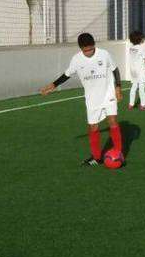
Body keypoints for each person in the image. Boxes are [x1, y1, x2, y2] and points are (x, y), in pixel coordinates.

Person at [40, 33, 123, 166]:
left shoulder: (104, 54)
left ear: (94, 45)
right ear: (80, 49)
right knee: (93, 127)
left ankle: (118, 153)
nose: (89, 52)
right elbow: (66, 75)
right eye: (86, 50)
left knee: (112, 121)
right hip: (92, 98)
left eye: (91, 49)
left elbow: (115, 70)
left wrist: (118, 87)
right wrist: (53, 85)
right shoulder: (76, 60)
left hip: (108, 94)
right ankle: (96, 157)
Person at [127, 30, 145, 110]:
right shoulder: (141, 48)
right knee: (142, 87)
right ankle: (142, 105)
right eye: (142, 37)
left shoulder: (131, 48)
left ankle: (131, 104)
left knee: (134, 86)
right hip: (140, 70)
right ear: (140, 39)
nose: (144, 38)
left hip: (133, 70)